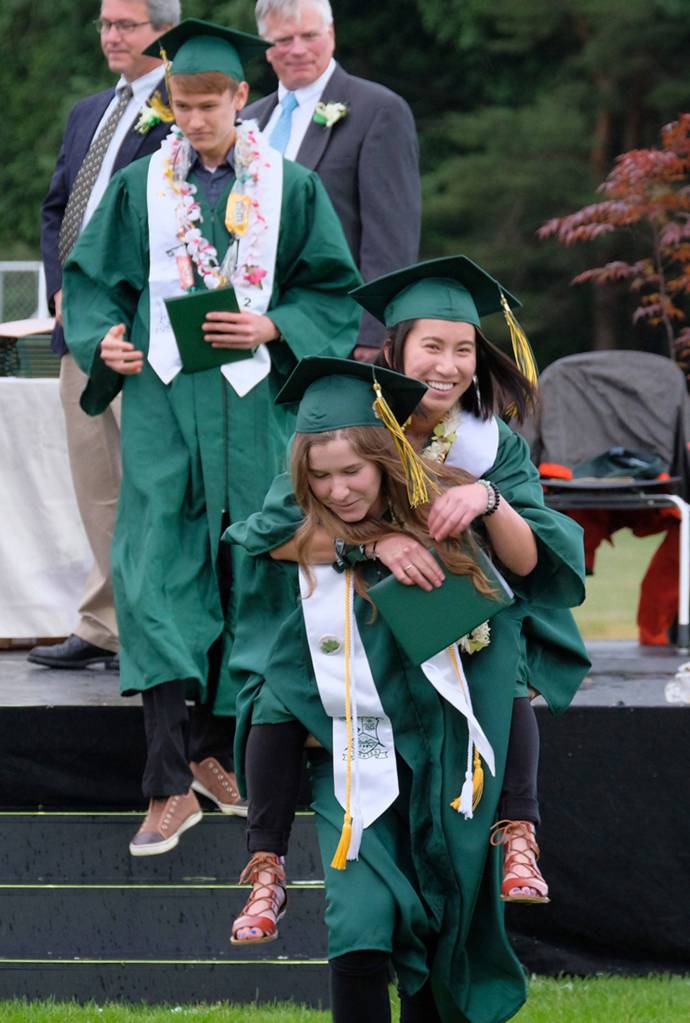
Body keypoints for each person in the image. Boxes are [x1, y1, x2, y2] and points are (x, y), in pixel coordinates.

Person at [61, 17, 362, 856]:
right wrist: (107, 342)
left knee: (252, 575)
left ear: (241, 98)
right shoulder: (140, 186)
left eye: (206, 105)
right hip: (162, 400)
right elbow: (96, 285)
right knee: (155, 572)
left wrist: (275, 325)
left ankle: (217, 750)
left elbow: (333, 292)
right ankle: (167, 782)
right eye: (179, 106)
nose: (192, 121)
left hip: (253, 402)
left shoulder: (291, 187)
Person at [227, 257, 590, 927]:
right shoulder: (347, 421)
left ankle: (519, 831)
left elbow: (534, 558)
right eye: (432, 346)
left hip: (450, 625)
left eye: (464, 350)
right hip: (351, 624)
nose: (448, 365)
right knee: (276, 688)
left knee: (505, 656)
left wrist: (488, 499)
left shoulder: (490, 443)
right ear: (394, 348)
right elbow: (273, 531)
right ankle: (266, 864)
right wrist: (371, 541)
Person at [31, 0, 181, 672]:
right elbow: (58, 205)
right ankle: (104, 621)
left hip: (143, 331)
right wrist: (62, 287)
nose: (110, 36)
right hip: (80, 328)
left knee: (150, 483)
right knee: (97, 484)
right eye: (104, 24)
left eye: (125, 25)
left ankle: (154, 627)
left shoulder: (185, 106)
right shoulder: (89, 111)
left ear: (163, 32)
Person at [243, 0, 421, 360]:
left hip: (337, 331)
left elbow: (390, 237)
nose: (298, 49)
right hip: (252, 332)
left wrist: (374, 334)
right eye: (283, 39)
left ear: (332, 34)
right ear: (266, 49)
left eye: (309, 35)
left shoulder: (377, 110)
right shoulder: (249, 121)